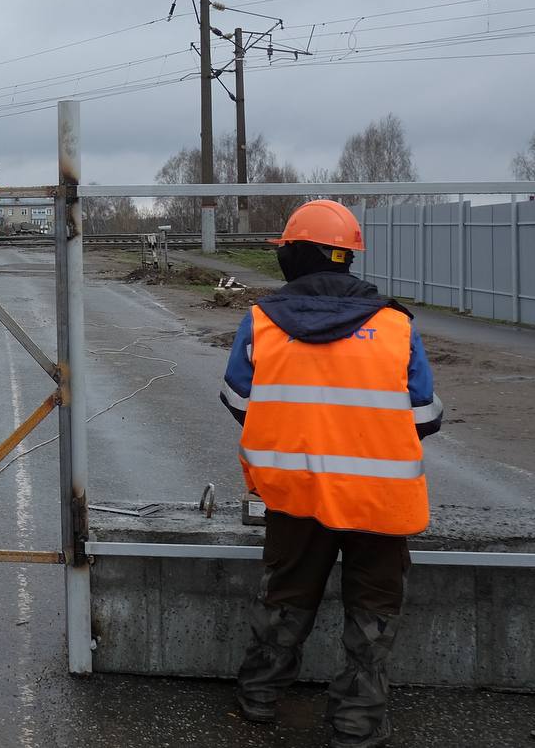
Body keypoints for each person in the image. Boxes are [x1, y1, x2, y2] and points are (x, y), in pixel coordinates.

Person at [219, 199, 443, 748]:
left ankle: (259, 696)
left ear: (294, 255)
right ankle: (357, 722)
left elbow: (238, 400)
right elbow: (425, 415)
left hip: (293, 494)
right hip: (380, 502)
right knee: (373, 612)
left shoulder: (261, 321)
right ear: (347, 257)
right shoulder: (395, 324)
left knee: (284, 596)